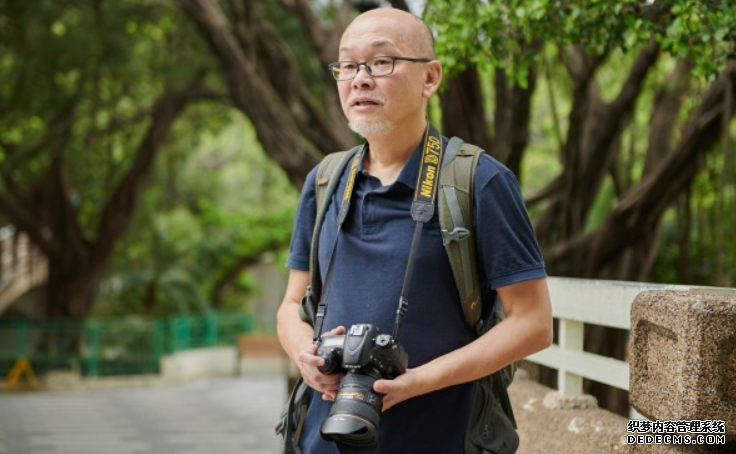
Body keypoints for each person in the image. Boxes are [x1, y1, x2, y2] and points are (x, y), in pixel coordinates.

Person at [276, 7, 553, 454]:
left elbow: (533, 323)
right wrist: (305, 356)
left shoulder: (480, 181)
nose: (360, 79)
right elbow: (291, 303)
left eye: (381, 62)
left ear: (430, 78)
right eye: (348, 65)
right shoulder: (325, 180)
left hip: (440, 438)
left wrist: (417, 381)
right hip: (323, 439)